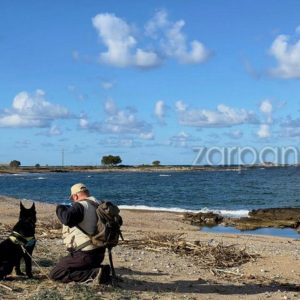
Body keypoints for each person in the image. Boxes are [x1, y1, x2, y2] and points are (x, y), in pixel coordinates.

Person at [49, 183, 111, 283]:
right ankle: (98, 270)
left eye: (72, 199)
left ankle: (94, 274)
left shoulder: (81, 205)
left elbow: (67, 219)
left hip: (85, 254)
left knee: (55, 274)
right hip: (99, 253)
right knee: (67, 264)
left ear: (75, 196)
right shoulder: (100, 204)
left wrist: (59, 208)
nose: (73, 201)